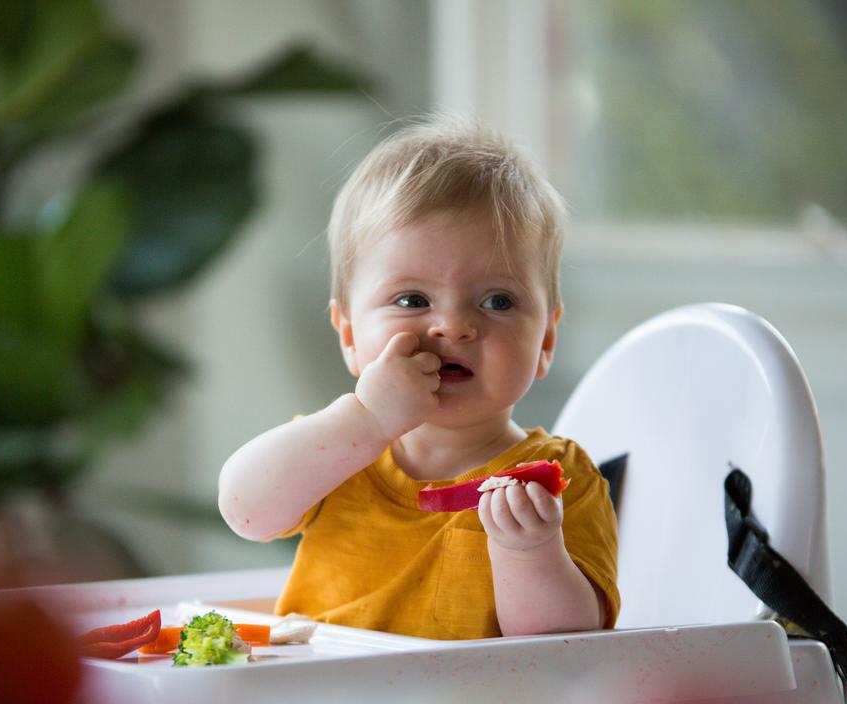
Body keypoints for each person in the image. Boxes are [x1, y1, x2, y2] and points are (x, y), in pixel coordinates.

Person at [218, 118, 619, 640]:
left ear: (544, 340)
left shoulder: (560, 480)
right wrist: (365, 421)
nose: (453, 326)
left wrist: (530, 551)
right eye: (412, 300)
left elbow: (568, 648)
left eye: (498, 301)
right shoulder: (336, 451)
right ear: (349, 335)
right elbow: (244, 510)